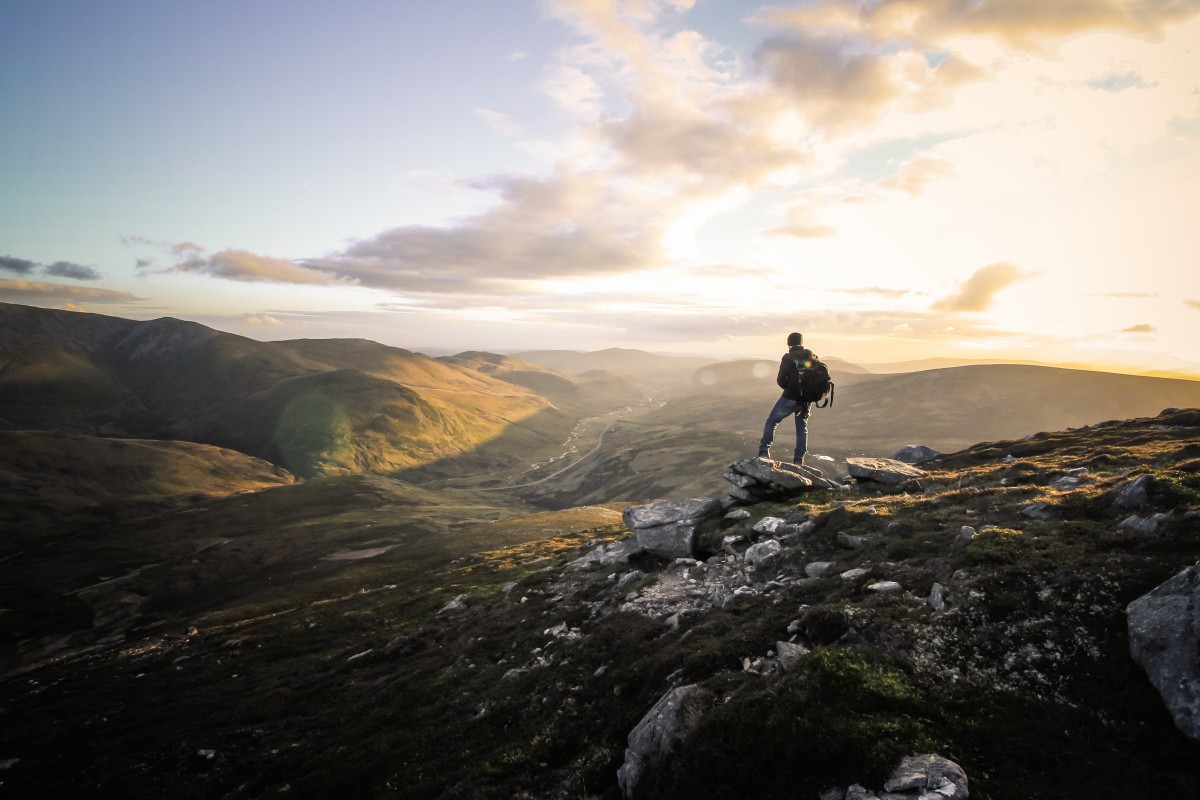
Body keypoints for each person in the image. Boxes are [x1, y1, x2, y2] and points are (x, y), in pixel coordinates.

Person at [758, 331, 817, 464]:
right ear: (801, 343)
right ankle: (799, 459)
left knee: (771, 421)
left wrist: (790, 389)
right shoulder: (810, 355)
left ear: (789, 343)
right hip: (806, 400)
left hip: (790, 397)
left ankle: (763, 452)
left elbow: (780, 379)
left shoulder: (788, 357)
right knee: (802, 426)